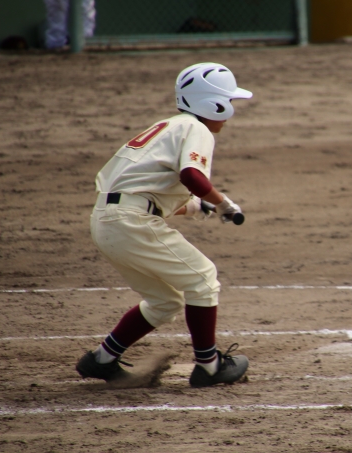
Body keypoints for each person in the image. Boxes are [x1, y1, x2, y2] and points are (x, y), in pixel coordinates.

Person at [75, 62, 252, 388]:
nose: (230, 111)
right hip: (129, 222)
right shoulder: (197, 129)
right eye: (228, 101)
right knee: (203, 279)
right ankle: (209, 366)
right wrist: (223, 202)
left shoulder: (168, 126)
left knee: (164, 303)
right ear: (213, 103)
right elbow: (192, 176)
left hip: (108, 221)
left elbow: (143, 192)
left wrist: (197, 206)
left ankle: (102, 359)